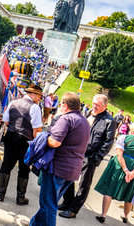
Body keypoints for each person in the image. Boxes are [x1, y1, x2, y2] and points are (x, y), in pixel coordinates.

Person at [29, 92, 90, 226]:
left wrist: (43, 137)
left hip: (57, 168)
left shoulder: (66, 119)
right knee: (50, 202)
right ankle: (34, 223)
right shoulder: (84, 121)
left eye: (61, 104)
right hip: (72, 169)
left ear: (65, 105)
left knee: (48, 205)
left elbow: (55, 142)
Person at [59, 94, 116, 219]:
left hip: (90, 157)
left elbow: (108, 143)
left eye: (98, 105)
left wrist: (97, 158)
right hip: (77, 153)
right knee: (69, 178)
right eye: (94, 103)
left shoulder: (109, 121)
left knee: (83, 185)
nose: (94, 106)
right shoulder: (88, 114)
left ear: (105, 106)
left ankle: (73, 210)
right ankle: (67, 202)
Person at [94, 121, 134, 223]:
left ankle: (103, 215)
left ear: (132, 128)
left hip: (119, 165)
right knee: (129, 192)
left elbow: (119, 155)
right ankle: (125, 216)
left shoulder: (123, 138)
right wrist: (132, 173)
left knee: (109, 190)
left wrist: (125, 170)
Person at [0, 84, 43, 205]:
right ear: (32, 94)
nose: (39, 99)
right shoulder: (35, 108)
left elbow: (6, 120)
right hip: (25, 140)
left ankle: (1, 194)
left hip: (10, 136)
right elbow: (37, 130)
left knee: (6, 164)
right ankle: (20, 198)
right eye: (39, 96)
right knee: (24, 168)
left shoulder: (13, 103)